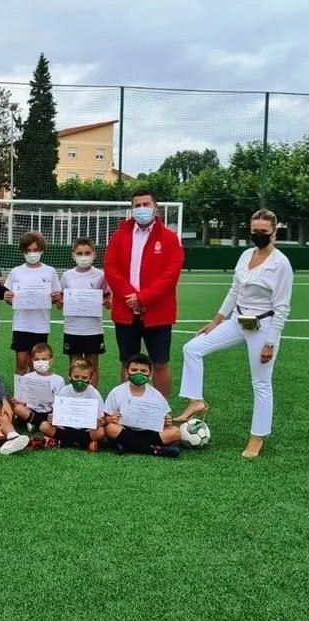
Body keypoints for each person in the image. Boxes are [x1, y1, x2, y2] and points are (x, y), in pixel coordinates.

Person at [177, 209, 294, 459]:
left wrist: (270, 343)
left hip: (263, 327)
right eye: (255, 231)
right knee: (192, 348)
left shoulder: (280, 264)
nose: (259, 235)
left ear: (274, 231)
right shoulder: (245, 255)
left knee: (261, 383)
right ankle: (196, 401)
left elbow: (282, 308)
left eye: (264, 231)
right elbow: (234, 291)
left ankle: (257, 437)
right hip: (237, 320)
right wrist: (216, 321)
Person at [104, 189, 184, 398]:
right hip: (125, 309)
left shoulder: (169, 238)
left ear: (155, 207)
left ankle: (161, 411)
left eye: (146, 204)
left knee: (160, 363)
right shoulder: (120, 235)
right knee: (127, 362)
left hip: (158, 311)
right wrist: (131, 297)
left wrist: (143, 298)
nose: (141, 209)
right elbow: (111, 269)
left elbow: (171, 275)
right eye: (137, 205)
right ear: (132, 208)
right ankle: (127, 406)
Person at [3, 232, 62, 375]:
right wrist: (8, 298)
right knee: (21, 362)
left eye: (35, 250)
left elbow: (56, 297)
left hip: (40, 325)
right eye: (28, 250)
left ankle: (37, 394)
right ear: (23, 251)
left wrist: (55, 298)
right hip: (21, 324)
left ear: (41, 250)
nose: (32, 254)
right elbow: (10, 298)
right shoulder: (16, 272)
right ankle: (19, 395)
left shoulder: (50, 271)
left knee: (39, 364)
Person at [103, 354, 180, 458]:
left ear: (150, 374)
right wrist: (112, 418)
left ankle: (127, 446)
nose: (138, 373)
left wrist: (167, 421)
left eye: (143, 371)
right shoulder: (117, 392)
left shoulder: (156, 394)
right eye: (134, 370)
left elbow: (165, 419)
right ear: (126, 372)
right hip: (125, 430)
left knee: (175, 432)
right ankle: (154, 450)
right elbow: (106, 418)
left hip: (148, 432)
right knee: (110, 428)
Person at [59, 238, 110, 388]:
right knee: (74, 364)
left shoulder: (101, 275)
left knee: (92, 364)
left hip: (93, 329)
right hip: (72, 328)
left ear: (94, 254)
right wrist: (60, 302)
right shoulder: (67, 275)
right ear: (73, 255)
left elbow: (108, 298)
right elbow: (60, 299)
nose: (84, 256)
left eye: (87, 253)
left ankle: (91, 399)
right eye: (80, 253)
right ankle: (75, 396)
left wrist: (108, 303)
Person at [34, 358, 105, 452]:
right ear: (69, 376)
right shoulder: (64, 390)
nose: (80, 381)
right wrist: (53, 418)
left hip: (85, 430)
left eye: (84, 378)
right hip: (66, 428)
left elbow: (102, 420)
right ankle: (83, 443)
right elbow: (56, 413)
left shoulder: (94, 394)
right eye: (76, 377)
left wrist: (99, 422)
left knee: (101, 432)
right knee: (44, 426)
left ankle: (60, 442)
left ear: (90, 378)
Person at [11, 343, 65, 430]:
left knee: (57, 416)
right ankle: (41, 424)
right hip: (31, 411)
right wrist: (20, 402)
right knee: (18, 408)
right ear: (32, 360)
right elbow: (24, 400)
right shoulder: (27, 377)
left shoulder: (58, 380)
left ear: (51, 360)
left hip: (48, 412)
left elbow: (60, 402)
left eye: (44, 359)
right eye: (37, 359)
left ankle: (35, 423)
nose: (40, 362)